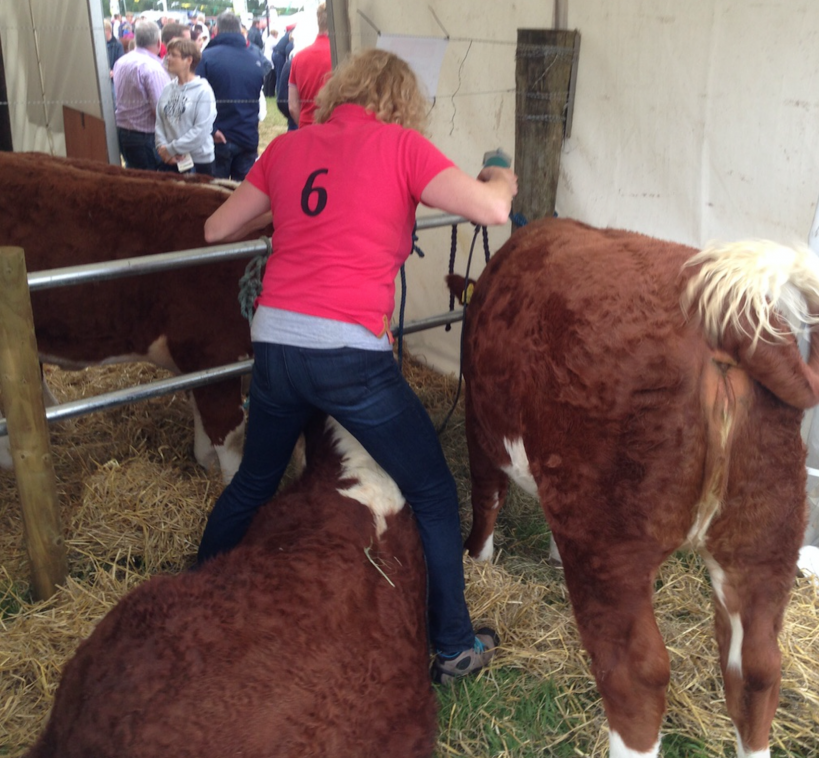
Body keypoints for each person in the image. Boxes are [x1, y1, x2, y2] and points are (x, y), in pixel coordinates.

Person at [197, 49, 518, 684]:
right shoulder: (401, 147)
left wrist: (285, 209)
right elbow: (492, 211)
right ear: (402, 102)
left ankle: (191, 595)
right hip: (348, 353)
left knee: (255, 483)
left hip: (276, 344)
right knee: (431, 489)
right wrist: (498, 173)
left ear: (340, 91)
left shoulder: (289, 148)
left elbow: (215, 229)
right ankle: (453, 646)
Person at [196, 12, 268, 180]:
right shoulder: (255, 58)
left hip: (219, 136)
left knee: (215, 194)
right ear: (239, 30)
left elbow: (197, 100)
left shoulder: (206, 58)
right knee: (243, 195)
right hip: (246, 134)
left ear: (216, 29)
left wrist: (211, 129)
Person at [112, 20, 169, 170]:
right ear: (158, 42)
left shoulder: (121, 62)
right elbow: (161, 110)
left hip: (124, 132)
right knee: (149, 185)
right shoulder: (153, 68)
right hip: (144, 137)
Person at [155, 38, 216, 176]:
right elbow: (160, 122)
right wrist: (163, 150)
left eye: (173, 55)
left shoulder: (203, 91)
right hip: (170, 161)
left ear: (188, 60)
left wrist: (170, 149)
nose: (168, 58)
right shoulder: (168, 88)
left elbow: (201, 131)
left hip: (198, 162)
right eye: (168, 54)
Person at [287, 3, 331, 129]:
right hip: (336, 130)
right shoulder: (343, 56)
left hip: (307, 128)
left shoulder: (299, 58)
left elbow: (293, 107)